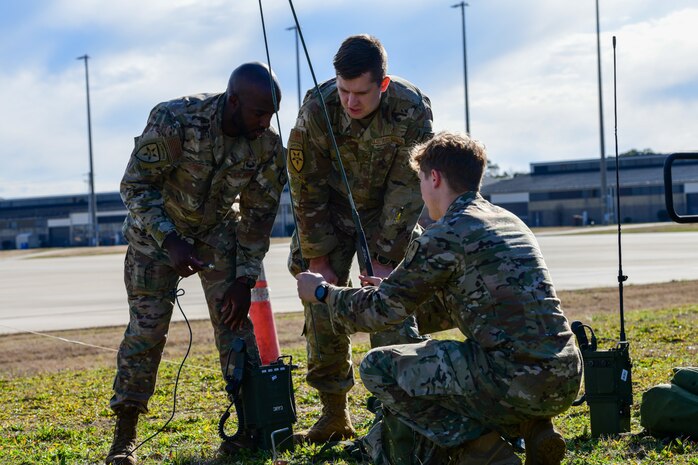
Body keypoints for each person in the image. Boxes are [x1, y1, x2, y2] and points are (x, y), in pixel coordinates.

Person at [296, 132, 583, 465]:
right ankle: (529, 425)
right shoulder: (508, 221)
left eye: (420, 180)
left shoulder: (446, 232)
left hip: (512, 377)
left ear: (434, 178)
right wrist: (397, 286)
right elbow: (475, 300)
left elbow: (379, 312)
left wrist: (321, 292)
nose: (420, 190)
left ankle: (481, 449)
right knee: (452, 363)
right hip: (564, 375)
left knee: (378, 368)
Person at [105, 62, 286, 465]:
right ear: (233, 101)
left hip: (215, 236)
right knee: (146, 331)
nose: (265, 122)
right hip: (155, 240)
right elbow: (135, 187)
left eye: (271, 114)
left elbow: (258, 219)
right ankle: (124, 438)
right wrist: (169, 241)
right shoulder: (176, 120)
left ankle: (249, 427)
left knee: (237, 325)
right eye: (259, 112)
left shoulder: (268, 147)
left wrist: (245, 279)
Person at [287, 34, 434, 443]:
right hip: (327, 212)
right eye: (344, 90)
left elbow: (408, 186)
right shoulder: (318, 107)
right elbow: (304, 184)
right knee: (318, 301)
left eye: (361, 93)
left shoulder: (410, 107)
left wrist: (386, 256)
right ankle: (334, 415)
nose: (351, 101)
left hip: (387, 213)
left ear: (382, 85)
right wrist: (317, 255)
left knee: (389, 299)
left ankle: (398, 414)